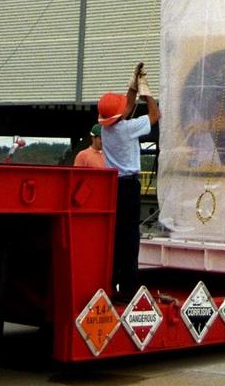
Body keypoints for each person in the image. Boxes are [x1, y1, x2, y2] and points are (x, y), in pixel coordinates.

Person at [99, 63, 160, 297]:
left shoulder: (107, 129)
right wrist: (146, 90)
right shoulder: (127, 129)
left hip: (112, 185)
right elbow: (155, 115)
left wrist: (132, 84)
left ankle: (112, 282)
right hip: (128, 186)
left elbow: (126, 106)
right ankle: (128, 288)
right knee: (130, 238)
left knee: (116, 236)